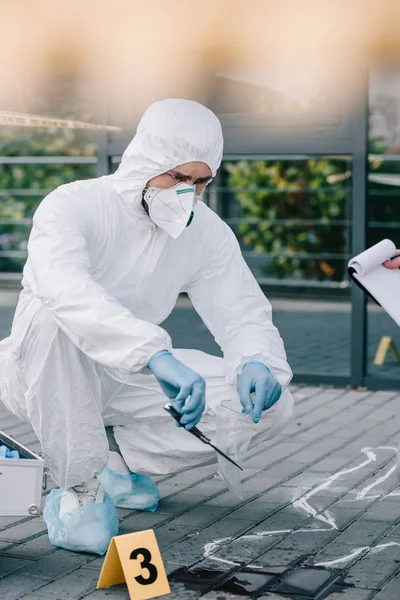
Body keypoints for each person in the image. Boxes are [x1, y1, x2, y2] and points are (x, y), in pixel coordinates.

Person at [0, 99, 293, 554]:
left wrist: (255, 359)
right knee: (50, 317)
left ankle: (112, 458)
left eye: (201, 182)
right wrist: (154, 355)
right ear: (147, 160)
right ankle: (79, 487)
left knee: (271, 403)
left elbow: (241, 311)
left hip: (127, 378)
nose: (188, 193)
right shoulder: (73, 204)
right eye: (178, 177)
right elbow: (67, 290)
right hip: (42, 371)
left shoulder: (205, 231)